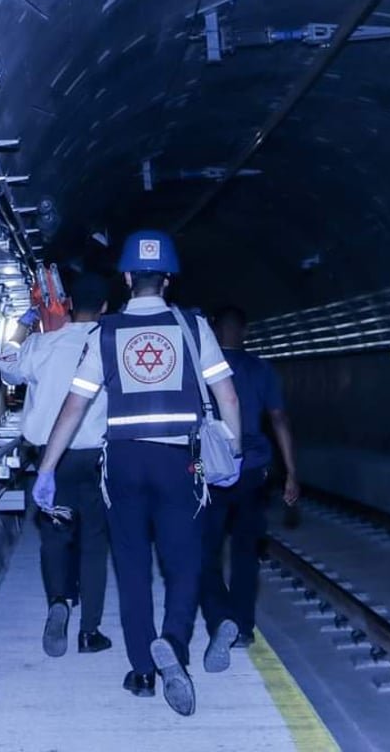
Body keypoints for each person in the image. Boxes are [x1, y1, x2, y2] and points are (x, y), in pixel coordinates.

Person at [33, 230, 243, 717]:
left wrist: (47, 469)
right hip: (179, 462)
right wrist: (230, 450)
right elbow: (227, 395)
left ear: (127, 279)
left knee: (130, 567)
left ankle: (144, 672)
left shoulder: (105, 333)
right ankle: (172, 641)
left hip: (123, 462)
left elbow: (73, 406)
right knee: (183, 563)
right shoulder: (192, 326)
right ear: (167, 279)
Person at [0, 272, 113, 658]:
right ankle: (89, 632)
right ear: (106, 308)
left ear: (67, 306)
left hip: (51, 458)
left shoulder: (43, 345)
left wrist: (21, 328)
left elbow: (7, 367)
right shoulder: (110, 344)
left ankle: (59, 602)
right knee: (94, 543)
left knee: (55, 536)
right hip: (96, 458)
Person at [200, 305, 300, 650]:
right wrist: (291, 473)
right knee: (245, 552)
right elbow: (280, 419)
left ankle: (219, 617)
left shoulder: (202, 368)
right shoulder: (261, 369)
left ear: (213, 331)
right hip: (253, 472)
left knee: (205, 552)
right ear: (245, 332)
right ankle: (243, 626)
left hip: (210, 473)